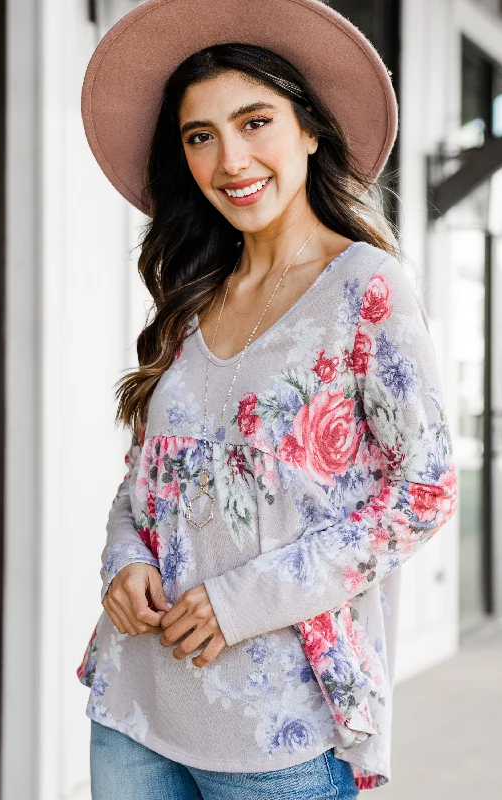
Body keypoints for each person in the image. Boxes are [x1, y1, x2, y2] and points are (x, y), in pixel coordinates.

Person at [77, 1, 458, 797]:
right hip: (134, 705)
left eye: (255, 122)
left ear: (309, 129)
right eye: (200, 136)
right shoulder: (192, 295)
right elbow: (146, 476)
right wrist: (125, 561)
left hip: (278, 723)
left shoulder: (366, 289)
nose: (230, 159)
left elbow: (421, 491)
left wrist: (239, 600)